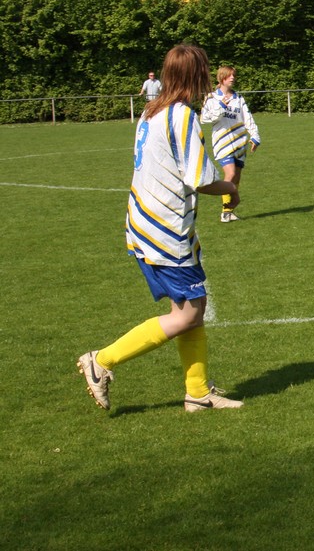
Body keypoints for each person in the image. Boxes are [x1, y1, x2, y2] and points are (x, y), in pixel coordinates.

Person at [77, 43, 243, 413]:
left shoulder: (151, 111)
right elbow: (199, 178)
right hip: (165, 228)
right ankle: (100, 361)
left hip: (145, 220)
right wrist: (230, 187)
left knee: (192, 306)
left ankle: (197, 393)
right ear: (197, 75)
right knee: (188, 313)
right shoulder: (182, 115)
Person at [200, 66, 261, 223]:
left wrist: (255, 135)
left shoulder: (238, 98)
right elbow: (204, 118)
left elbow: (247, 118)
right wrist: (221, 107)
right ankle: (231, 203)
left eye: (234, 75)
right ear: (222, 78)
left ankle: (227, 211)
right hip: (222, 142)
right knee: (231, 173)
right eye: (229, 76)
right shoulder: (211, 97)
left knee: (237, 176)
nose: (233, 78)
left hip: (240, 142)